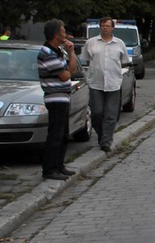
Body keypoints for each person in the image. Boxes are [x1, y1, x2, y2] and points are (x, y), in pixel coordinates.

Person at [80, 17, 130, 153]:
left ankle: (106, 141)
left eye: (108, 26)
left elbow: (124, 61)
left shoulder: (119, 44)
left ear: (113, 28)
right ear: (100, 27)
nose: (105, 28)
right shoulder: (91, 43)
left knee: (111, 115)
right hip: (96, 83)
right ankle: (103, 136)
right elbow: (85, 60)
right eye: (103, 25)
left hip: (113, 83)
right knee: (97, 113)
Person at [37, 20, 78, 180]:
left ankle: (59, 165)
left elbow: (72, 70)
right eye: (63, 31)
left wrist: (72, 52)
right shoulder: (47, 53)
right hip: (55, 99)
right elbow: (65, 75)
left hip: (63, 97)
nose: (65, 34)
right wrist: (67, 71)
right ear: (56, 34)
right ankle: (49, 169)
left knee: (63, 134)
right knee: (55, 134)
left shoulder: (58, 51)